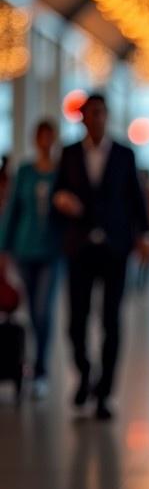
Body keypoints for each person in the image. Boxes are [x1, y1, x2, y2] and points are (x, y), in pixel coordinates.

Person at [53, 94, 149, 420]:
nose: (96, 119)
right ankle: (84, 373)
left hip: (115, 248)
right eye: (90, 114)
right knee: (76, 322)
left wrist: (145, 234)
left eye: (100, 114)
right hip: (80, 247)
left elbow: (136, 199)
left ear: (107, 117)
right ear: (82, 118)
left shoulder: (124, 154)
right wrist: (62, 202)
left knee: (111, 319)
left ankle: (105, 392)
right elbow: (57, 192)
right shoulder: (69, 154)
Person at [0, 120, 60, 397]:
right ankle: (27, 361)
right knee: (29, 307)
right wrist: (4, 246)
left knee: (42, 310)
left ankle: (41, 367)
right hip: (25, 249)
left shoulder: (61, 173)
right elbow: (13, 210)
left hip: (51, 250)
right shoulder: (24, 172)